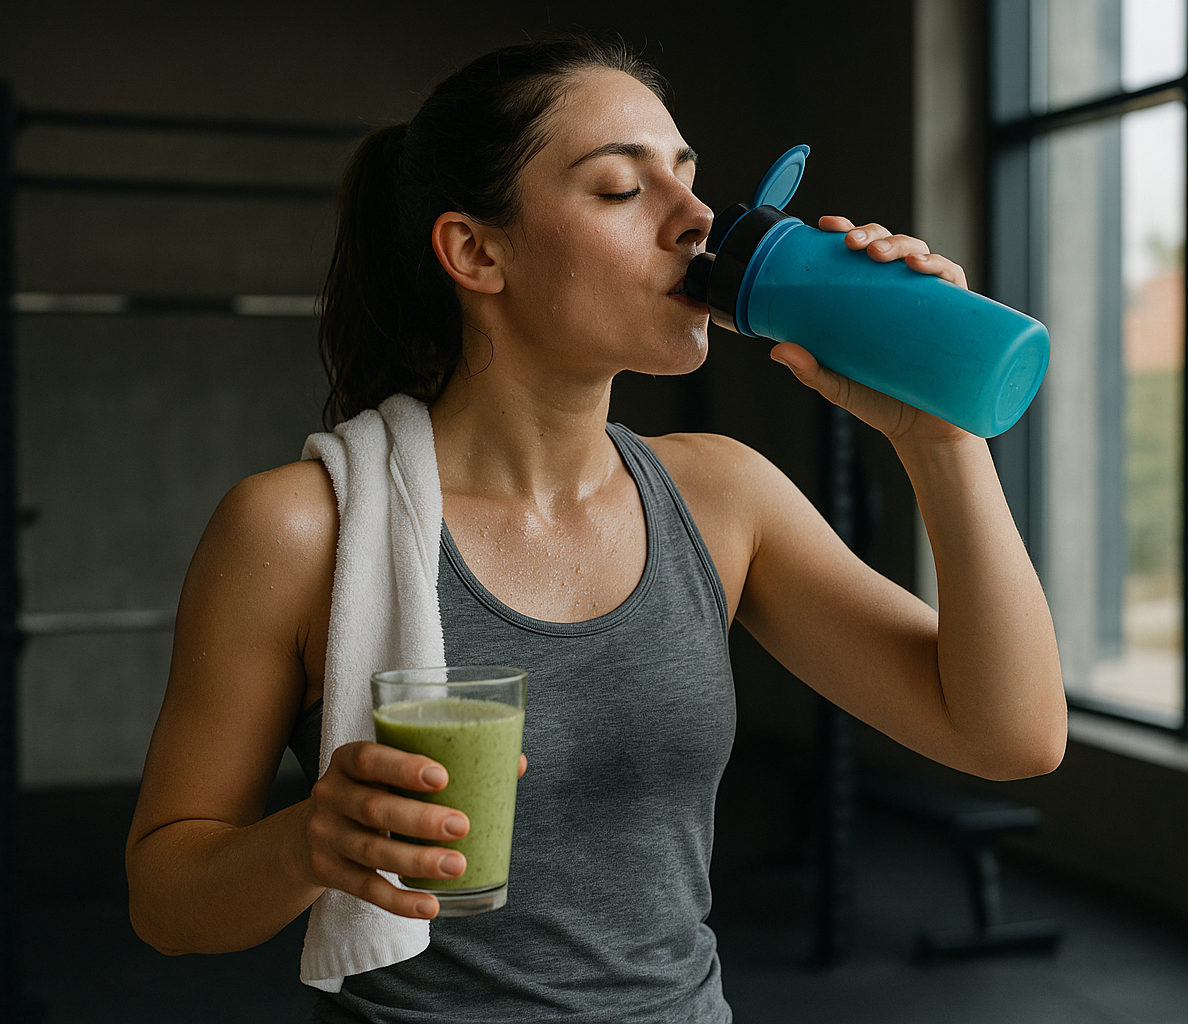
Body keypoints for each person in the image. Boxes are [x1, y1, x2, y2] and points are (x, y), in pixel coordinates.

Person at [125, 34, 1065, 1024]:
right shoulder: (299, 528)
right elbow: (165, 898)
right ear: (477, 251)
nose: (699, 219)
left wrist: (938, 437)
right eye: (623, 189)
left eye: (690, 177)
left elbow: (1009, 735)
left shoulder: (722, 496)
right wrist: (306, 842)